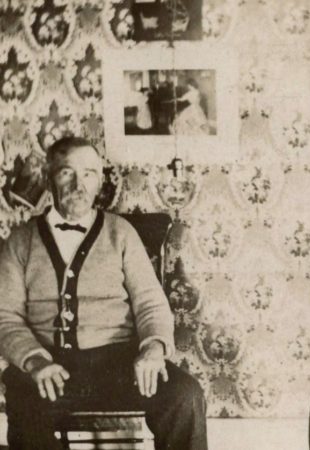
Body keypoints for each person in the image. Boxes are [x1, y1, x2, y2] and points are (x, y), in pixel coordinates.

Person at [0, 137, 208, 450]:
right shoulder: (20, 241)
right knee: (24, 400)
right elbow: (5, 315)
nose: (78, 184)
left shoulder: (121, 232)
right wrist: (33, 361)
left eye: (88, 174)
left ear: (99, 181)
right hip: (48, 365)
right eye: (67, 172)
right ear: (48, 177)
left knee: (184, 395)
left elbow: (150, 303)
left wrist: (152, 348)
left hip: (118, 363)